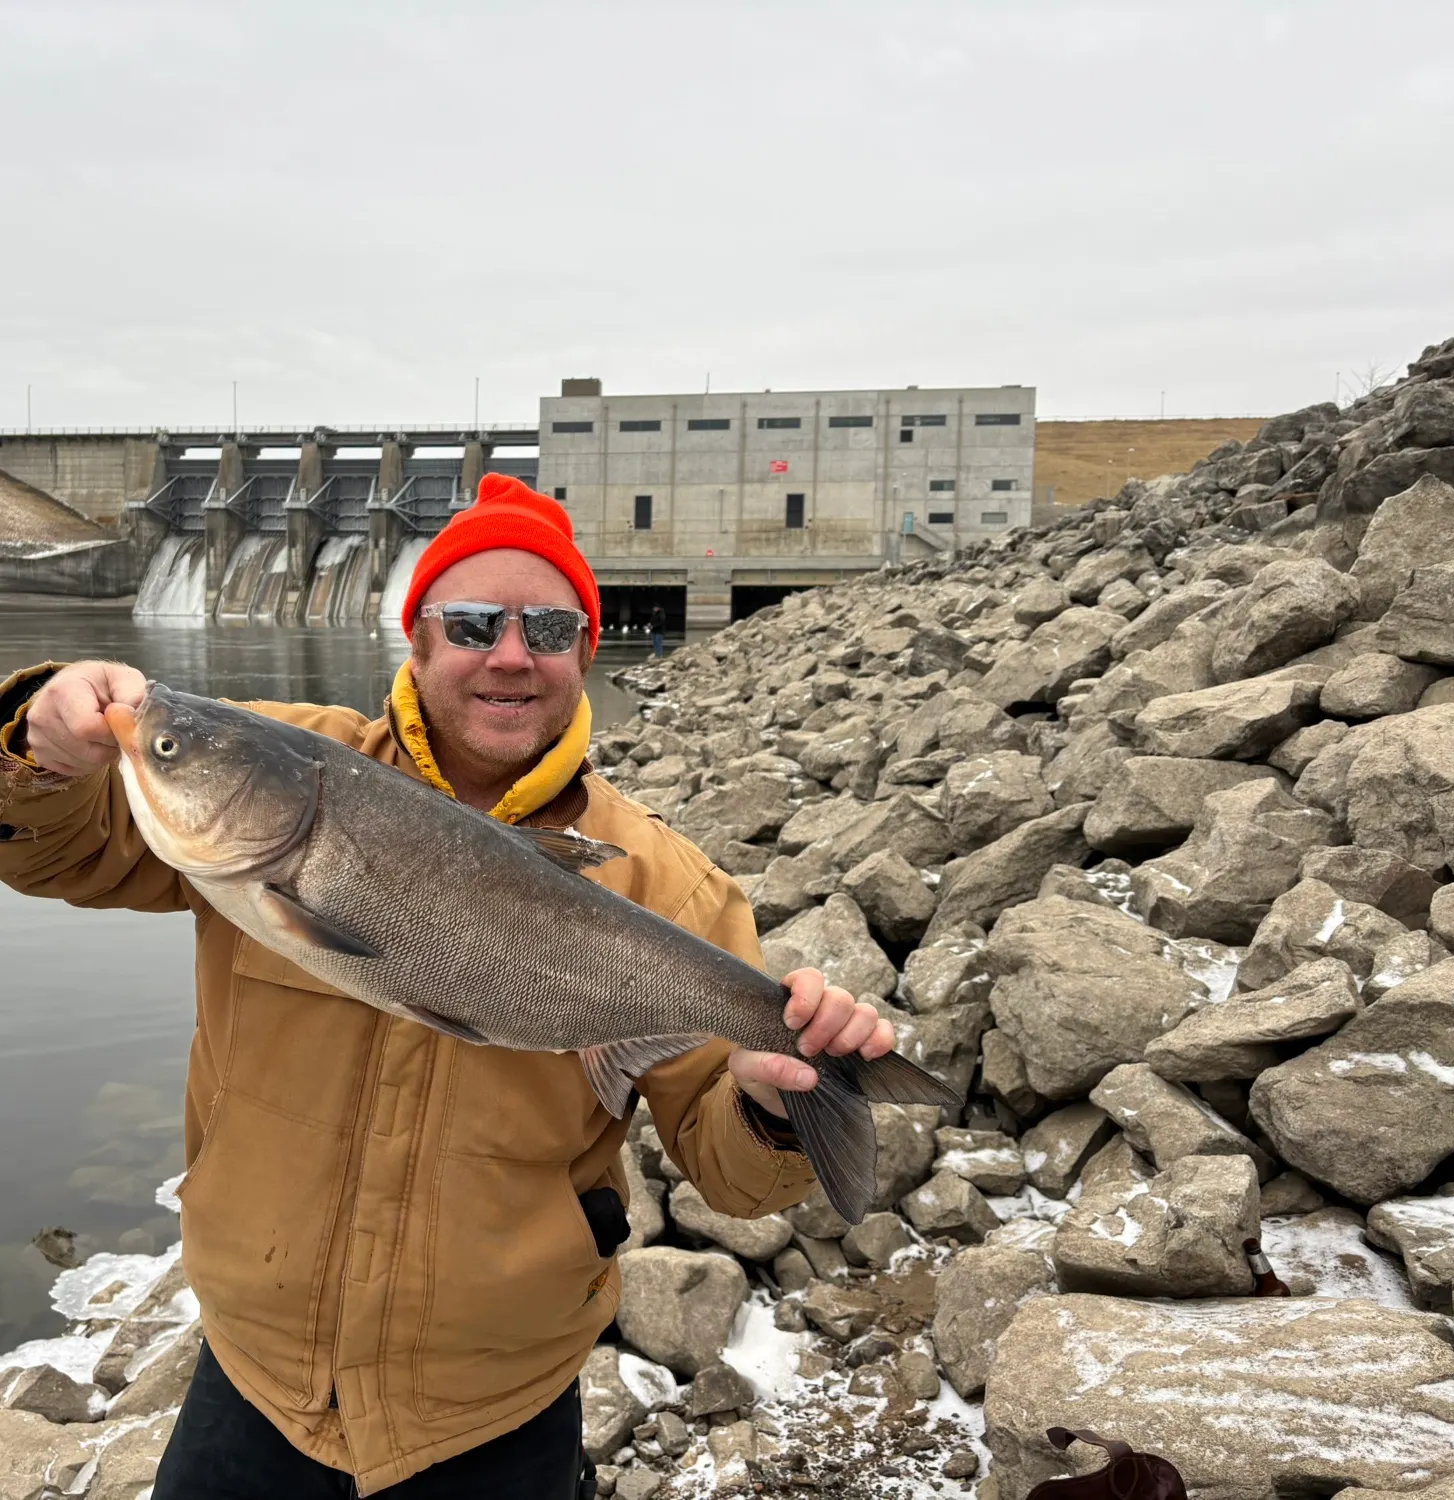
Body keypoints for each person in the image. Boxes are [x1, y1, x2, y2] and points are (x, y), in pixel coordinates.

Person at [0, 474, 897, 1499]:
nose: (510, 655)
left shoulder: (668, 886)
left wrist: (777, 1109)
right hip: (255, 1376)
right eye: (472, 624)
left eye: (547, 628)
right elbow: (58, 850)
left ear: (584, 654)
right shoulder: (274, 761)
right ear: (417, 641)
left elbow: (733, 1177)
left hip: (495, 1408)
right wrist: (40, 747)